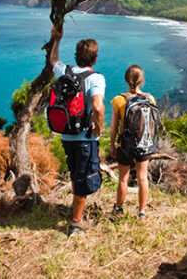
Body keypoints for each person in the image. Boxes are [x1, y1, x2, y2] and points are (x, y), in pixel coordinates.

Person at [49, 27, 105, 237]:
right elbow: (98, 107)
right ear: (95, 58)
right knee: (84, 178)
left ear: (76, 56)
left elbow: (53, 60)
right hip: (84, 138)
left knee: (75, 173)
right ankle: (75, 223)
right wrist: (99, 129)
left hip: (65, 134)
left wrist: (56, 38)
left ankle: (75, 209)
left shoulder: (65, 71)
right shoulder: (95, 78)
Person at [110, 64, 157, 219]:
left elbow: (114, 127)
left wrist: (112, 145)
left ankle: (118, 209)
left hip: (126, 145)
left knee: (123, 177)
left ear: (125, 80)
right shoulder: (150, 99)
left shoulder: (119, 100)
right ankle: (142, 212)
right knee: (142, 177)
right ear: (142, 81)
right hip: (144, 143)